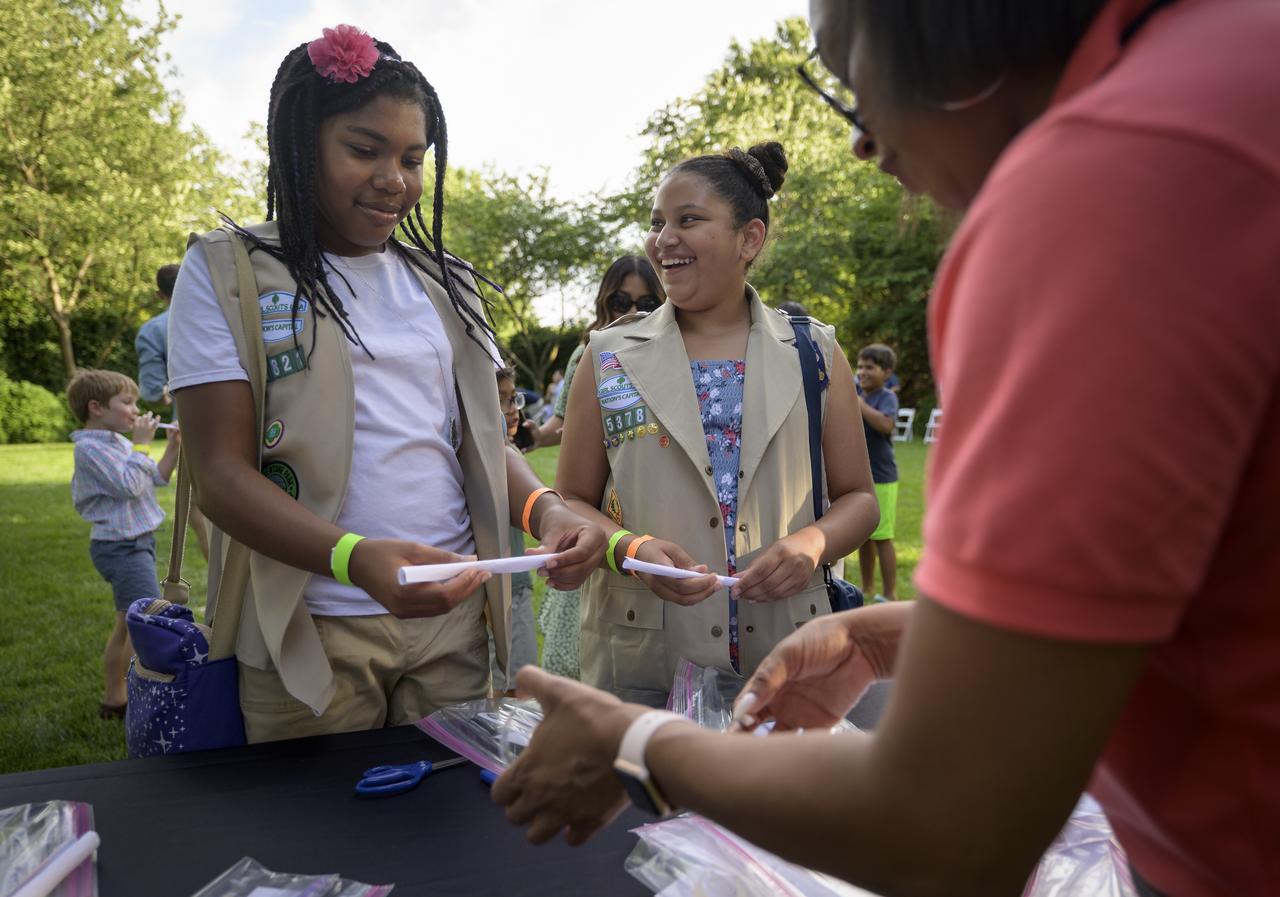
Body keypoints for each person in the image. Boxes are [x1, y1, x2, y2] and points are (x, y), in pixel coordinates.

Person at [493, 2, 1280, 896]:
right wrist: (914, 632)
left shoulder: (1102, 187)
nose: (865, 145)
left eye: (849, 86)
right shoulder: (1234, 68)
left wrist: (632, 746)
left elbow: (948, 823)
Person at [167, 24, 604, 743]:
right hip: (309, 630)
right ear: (302, 147)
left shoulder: (444, 282)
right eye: (364, 150)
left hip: (455, 627)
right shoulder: (228, 273)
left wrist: (548, 511)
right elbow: (218, 473)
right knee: (317, 842)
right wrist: (354, 557)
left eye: (412, 157)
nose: (394, 179)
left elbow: (475, 443)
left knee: (449, 835)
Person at [554, 141, 879, 706]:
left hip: (789, 646)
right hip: (645, 655)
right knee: (648, 793)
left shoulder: (815, 352)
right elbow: (572, 499)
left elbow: (860, 499)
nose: (663, 239)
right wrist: (631, 547)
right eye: (657, 223)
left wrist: (811, 542)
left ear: (748, 238)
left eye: (689, 220)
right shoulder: (606, 355)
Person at [524, 255, 666, 679]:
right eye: (621, 299)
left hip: (657, 509)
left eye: (647, 301)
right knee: (578, 660)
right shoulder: (590, 353)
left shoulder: (676, 356)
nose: (632, 310)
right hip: (601, 516)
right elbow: (565, 426)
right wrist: (531, 436)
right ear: (605, 299)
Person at [67, 369, 180, 719]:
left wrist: (173, 448)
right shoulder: (89, 449)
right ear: (96, 407)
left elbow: (157, 478)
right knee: (142, 621)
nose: (135, 410)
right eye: (127, 402)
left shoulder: (120, 443)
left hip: (136, 543)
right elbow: (129, 485)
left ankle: (115, 699)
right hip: (121, 547)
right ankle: (134, 695)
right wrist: (144, 444)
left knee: (126, 623)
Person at [135, 263, 210, 560]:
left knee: (200, 505)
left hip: (193, 426)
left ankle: (226, 592)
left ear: (159, 294)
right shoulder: (229, 313)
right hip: (256, 420)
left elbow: (153, 391)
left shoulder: (153, 330)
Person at [492, 364, 538, 694]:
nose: (513, 411)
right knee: (511, 694)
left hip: (515, 588)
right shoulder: (490, 457)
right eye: (502, 400)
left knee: (518, 690)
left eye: (513, 398)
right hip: (498, 592)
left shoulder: (507, 452)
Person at [854, 343, 899, 602]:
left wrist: (859, 404)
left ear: (887, 372)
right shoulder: (860, 393)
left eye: (870, 367)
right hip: (863, 474)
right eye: (860, 367)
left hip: (882, 477)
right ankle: (867, 586)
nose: (863, 372)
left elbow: (885, 424)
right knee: (863, 536)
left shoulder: (886, 397)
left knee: (882, 537)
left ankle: (890, 593)